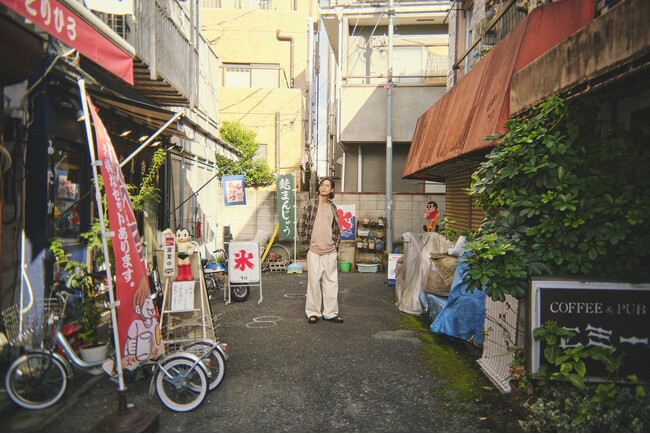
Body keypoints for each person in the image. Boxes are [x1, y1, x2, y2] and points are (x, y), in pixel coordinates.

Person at [297, 177, 343, 324]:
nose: (324, 187)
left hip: (330, 251)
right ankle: (313, 312)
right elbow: (301, 225)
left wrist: (335, 247)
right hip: (314, 251)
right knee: (313, 283)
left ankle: (330, 313)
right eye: (322, 185)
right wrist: (307, 246)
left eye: (327, 185)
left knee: (331, 283)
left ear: (332, 189)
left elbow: (336, 229)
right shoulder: (311, 204)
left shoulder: (333, 207)